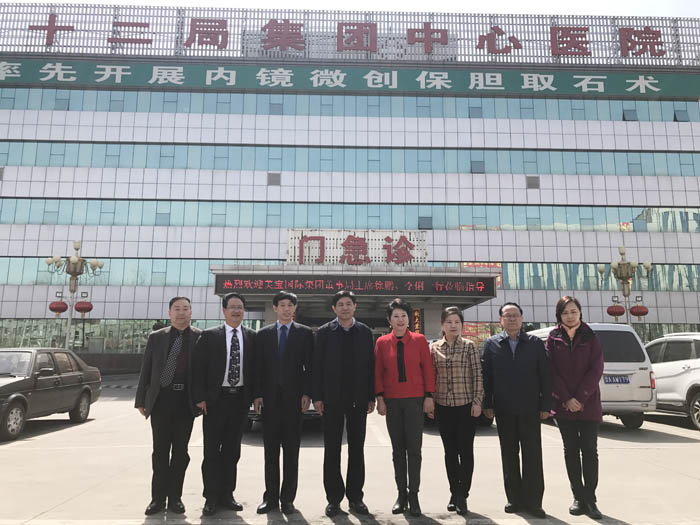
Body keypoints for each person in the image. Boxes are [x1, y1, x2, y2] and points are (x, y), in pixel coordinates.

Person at [482, 302, 552, 519]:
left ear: (521, 318)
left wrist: (545, 405)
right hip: (504, 409)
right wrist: (487, 403)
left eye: (515, 315)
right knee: (509, 454)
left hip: (530, 408)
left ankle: (534, 502)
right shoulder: (492, 344)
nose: (511, 319)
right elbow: (487, 377)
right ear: (500, 320)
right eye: (507, 315)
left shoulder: (534, 343)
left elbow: (545, 375)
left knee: (533, 455)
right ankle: (514, 498)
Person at [134, 297, 201, 516]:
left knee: (181, 452)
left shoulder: (200, 337)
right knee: (160, 451)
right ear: (170, 312)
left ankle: (175, 498)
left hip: (185, 401)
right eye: (177, 309)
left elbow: (204, 371)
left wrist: (202, 399)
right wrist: (141, 399)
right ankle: (157, 498)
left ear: (191, 312)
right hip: (161, 399)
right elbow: (146, 368)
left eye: (185, 309)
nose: (181, 313)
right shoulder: (157, 337)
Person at [193, 292, 257, 516]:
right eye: (232, 307)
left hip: (240, 400)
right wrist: (200, 397)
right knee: (211, 451)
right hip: (215, 401)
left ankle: (227, 494)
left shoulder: (252, 337)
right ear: (224, 310)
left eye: (240, 307)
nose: (236, 311)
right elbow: (198, 369)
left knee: (232, 451)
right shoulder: (210, 336)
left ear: (244, 310)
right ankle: (211, 497)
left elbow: (256, 369)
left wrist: (255, 396)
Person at [313, 291, 375, 517]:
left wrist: (371, 396)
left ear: (355, 306)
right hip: (332, 399)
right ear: (334, 308)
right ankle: (333, 499)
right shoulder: (324, 332)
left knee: (357, 449)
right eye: (340, 304)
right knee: (332, 449)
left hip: (358, 398)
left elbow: (370, 366)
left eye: (349, 304)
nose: (345, 308)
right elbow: (316, 366)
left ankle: (356, 497)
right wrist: (317, 397)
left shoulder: (364, 332)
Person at [253, 291, 314, 515]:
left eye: (290, 305)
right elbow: (257, 367)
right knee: (270, 452)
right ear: (275, 308)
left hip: (293, 401)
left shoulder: (305, 333)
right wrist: (257, 394)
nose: (286, 309)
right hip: (269, 401)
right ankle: (270, 498)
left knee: (291, 451)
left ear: (295, 308)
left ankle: (287, 499)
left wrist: (307, 392)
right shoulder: (263, 334)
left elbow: (310, 366)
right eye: (282, 305)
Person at [374, 298, 435, 517]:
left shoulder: (419, 340)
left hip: (415, 400)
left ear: (409, 319)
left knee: (414, 450)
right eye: (396, 316)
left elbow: (428, 369)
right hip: (392, 401)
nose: (400, 320)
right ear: (389, 320)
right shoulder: (382, 342)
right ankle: (401, 494)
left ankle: (414, 495)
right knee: (398, 450)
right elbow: (378, 372)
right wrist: (380, 398)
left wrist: (429, 396)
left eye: (403, 316)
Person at [546, 296, 604, 520]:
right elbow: (551, 371)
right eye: (565, 313)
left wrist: (580, 398)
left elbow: (596, 369)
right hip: (564, 405)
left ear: (580, 312)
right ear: (559, 315)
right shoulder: (553, 337)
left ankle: (590, 498)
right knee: (570, 450)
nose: (570, 316)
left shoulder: (590, 336)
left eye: (573, 311)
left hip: (588, 403)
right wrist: (567, 398)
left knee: (589, 450)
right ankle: (578, 497)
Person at [430, 306, 483, 516]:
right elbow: (432, 376)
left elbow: (477, 375)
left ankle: (463, 494)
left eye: (457, 322)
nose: (453, 325)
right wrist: (430, 401)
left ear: (461, 325)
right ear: (442, 325)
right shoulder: (434, 348)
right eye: (449, 322)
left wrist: (477, 401)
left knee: (466, 451)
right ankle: (454, 492)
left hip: (465, 406)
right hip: (444, 407)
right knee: (450, 452)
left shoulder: (469, 346)